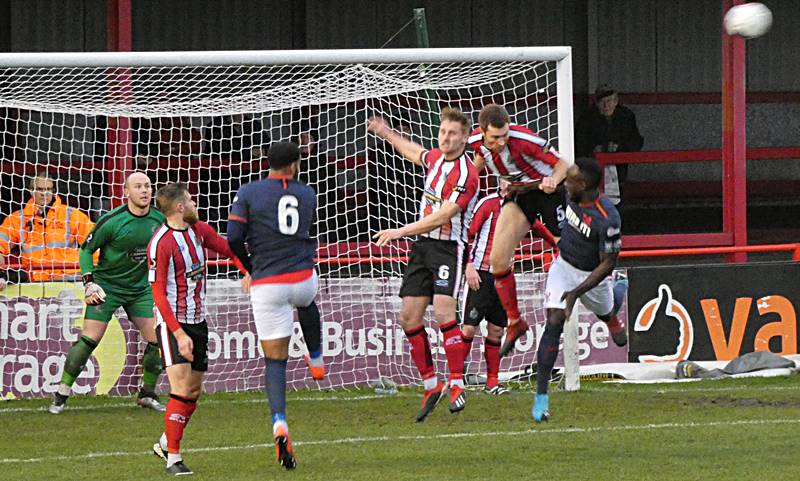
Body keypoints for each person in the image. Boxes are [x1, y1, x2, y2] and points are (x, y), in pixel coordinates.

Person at [368, 107, 479, 421]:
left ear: (465, 137)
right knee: (408, 317)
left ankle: (457, 383)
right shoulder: (435, 160)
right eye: (443, 132)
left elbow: (443, 216)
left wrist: (400, 231)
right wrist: (386, 132)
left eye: (452, 133)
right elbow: (414, 152)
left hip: (447, 249)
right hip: (422, 248)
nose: (445, 137)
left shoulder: (466, 174)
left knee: (444, 311)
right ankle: (432, 384)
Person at [227, 141, 323, 470]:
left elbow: (233, 238)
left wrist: (249, 269)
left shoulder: (249, 192)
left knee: (275, 361)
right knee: (309, 299)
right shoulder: (308, 193)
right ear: (295, 164)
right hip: (301, 277)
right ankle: (316, 357)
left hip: (268, 285)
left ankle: (279, 421)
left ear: (267, 163)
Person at [148, 182, 248, 475]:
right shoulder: (161, 242)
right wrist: (178, 334)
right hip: (172, 325)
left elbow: (229, 249)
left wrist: (246, 271)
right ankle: (173, 460)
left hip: (198, 321)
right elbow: (158, 294)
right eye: (190, 201)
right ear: (180, 207)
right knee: (180, 388)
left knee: (192, 391)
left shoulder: (198, 230)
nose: (195, 204)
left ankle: (166, 442)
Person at [49, 172, 167, 414]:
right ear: (126, 192)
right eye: (138, 186)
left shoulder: (159, 220)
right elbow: (86, 250)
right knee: (89, 340)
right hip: (107, 287)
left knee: (159, 339)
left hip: (140, 289)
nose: (144, 190)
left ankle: (147, 394)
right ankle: (61, 394)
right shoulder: (112, 220)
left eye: (147, 186)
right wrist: (89, 283)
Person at [531, 157, 627, 423]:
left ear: (582, 185)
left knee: (608, 314)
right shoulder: (570, 193)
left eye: (570, 179)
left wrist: (577, 292)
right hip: (563, 266)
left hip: (592, 275)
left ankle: (614, 306)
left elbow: (608, 262)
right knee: (554, 321)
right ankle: (541, 398)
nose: (565, 182)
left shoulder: (608, 218)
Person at [468, 104, 569, 357]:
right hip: (521, 194)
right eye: (495, 138)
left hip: (547, 192)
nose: (501, 142)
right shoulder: (475, 143)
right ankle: (515, 322)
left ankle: (609, 301)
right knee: (498, 260)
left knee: (569, 254)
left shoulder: (525, 139)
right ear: (483, 133)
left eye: (505, 136)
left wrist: (553, 180)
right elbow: (477, 162)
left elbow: (563, 164)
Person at [462, 180, 559, 395]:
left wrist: (557, 245)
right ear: (499, 181)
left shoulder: (521, 208)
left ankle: (492, 382)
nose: (508, 183)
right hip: (481, 274)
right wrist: (468, 266)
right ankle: (455, 380)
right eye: (505, 178)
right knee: (469, 328)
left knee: (496, 330)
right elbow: (466, 234)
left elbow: (539, 227)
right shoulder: (487, 203)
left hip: (503, 277)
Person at [0, 170, 94, 288]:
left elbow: (95, 245)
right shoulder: (17, 219)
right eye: (39, 189)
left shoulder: (72, 215)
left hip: (72, 280)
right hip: (35, 283)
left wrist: (94, 277)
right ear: (31, 191)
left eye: (48, 189)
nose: (44, 193)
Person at [575, 85, 644, 205]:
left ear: (616, 101)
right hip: (593, 170)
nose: (606, 105)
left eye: (609, 101)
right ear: (596, 103)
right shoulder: (587, 119)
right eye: (602, 102)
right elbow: (579, 143)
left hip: (619, 169)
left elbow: (635, 140)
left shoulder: (626, 116)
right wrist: (595, 149)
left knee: (618, 200)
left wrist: (620, 148)